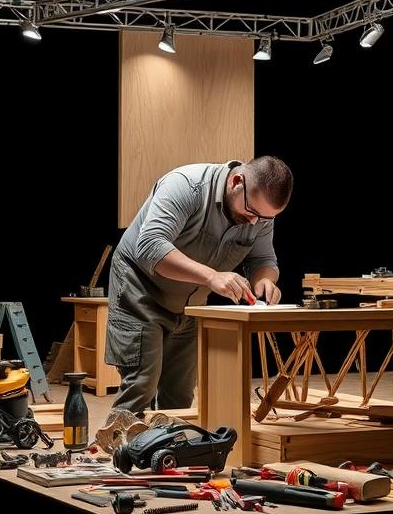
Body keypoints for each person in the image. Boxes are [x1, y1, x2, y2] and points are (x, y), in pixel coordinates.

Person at [105, 157, 292, 417]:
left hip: (190, 303)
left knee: (180, 394)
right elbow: (150, 246)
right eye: (251, 212)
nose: (254, 223)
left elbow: (263, 259)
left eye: (264, 218)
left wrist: (266, 280)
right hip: (141, 288)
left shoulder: (259, 214)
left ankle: (166, 453)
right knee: (142, 383)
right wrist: (211, 277)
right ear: (237, 182)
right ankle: (120, 448)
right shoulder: (186, 185)